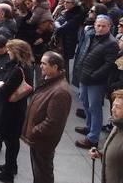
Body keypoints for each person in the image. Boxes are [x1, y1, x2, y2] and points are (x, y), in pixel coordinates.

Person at [21, 51, 72, 183]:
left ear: (55, 67)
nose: (41, 66)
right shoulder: (49, 81)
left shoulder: (60, 92)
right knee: (39, 173)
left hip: (43, 141)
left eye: (44, 64)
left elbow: (53, 122)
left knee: (43, 175)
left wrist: (34, 130)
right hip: (38, 139)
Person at [75, 14, 119, 149]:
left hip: (96, 81)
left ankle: (93, 138)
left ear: (109, 27)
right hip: (85, 77)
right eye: (98, 25)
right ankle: (89, 127)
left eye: (103, 26)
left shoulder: (111, 43)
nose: (100, 28)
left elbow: (108, 64)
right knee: (86, 104)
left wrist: (94, 75)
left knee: (95, 109)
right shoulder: (92, 36)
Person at [0, 39, 34, 182]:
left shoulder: (17, 70)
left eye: (10, 50)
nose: (8, 52)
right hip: (18, 108)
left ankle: (8, 172)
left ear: (16, 52)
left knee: (10, 141)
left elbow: (4, 91)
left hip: (11, 110)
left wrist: (1, 84)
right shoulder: (26, 67)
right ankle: (11, 166)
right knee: (12, 140)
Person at [89, 89, 123, 183]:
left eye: (118, 107)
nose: (112, 109)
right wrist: (100, 153)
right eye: (113, 105)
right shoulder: (117, 125)